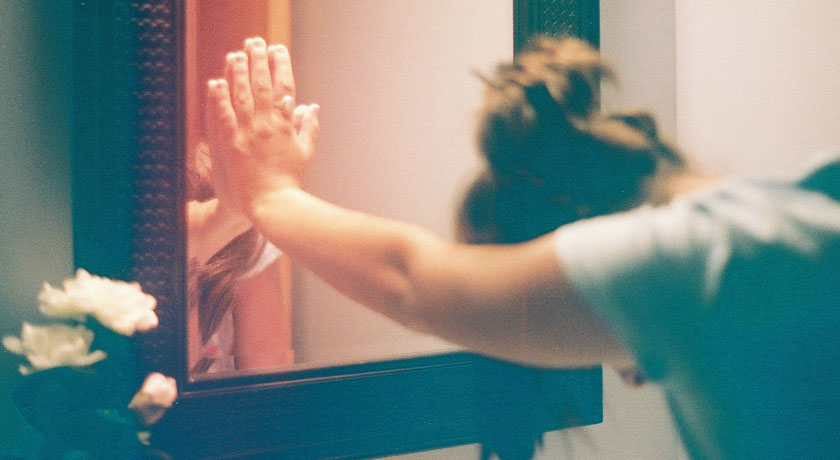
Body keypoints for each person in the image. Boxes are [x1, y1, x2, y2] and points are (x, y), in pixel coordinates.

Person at [204, 36, 840, 459]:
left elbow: (414, 282)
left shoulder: (703, 258)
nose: (635, 377)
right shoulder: (798, 207)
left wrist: (269, 194)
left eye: (607, 341)